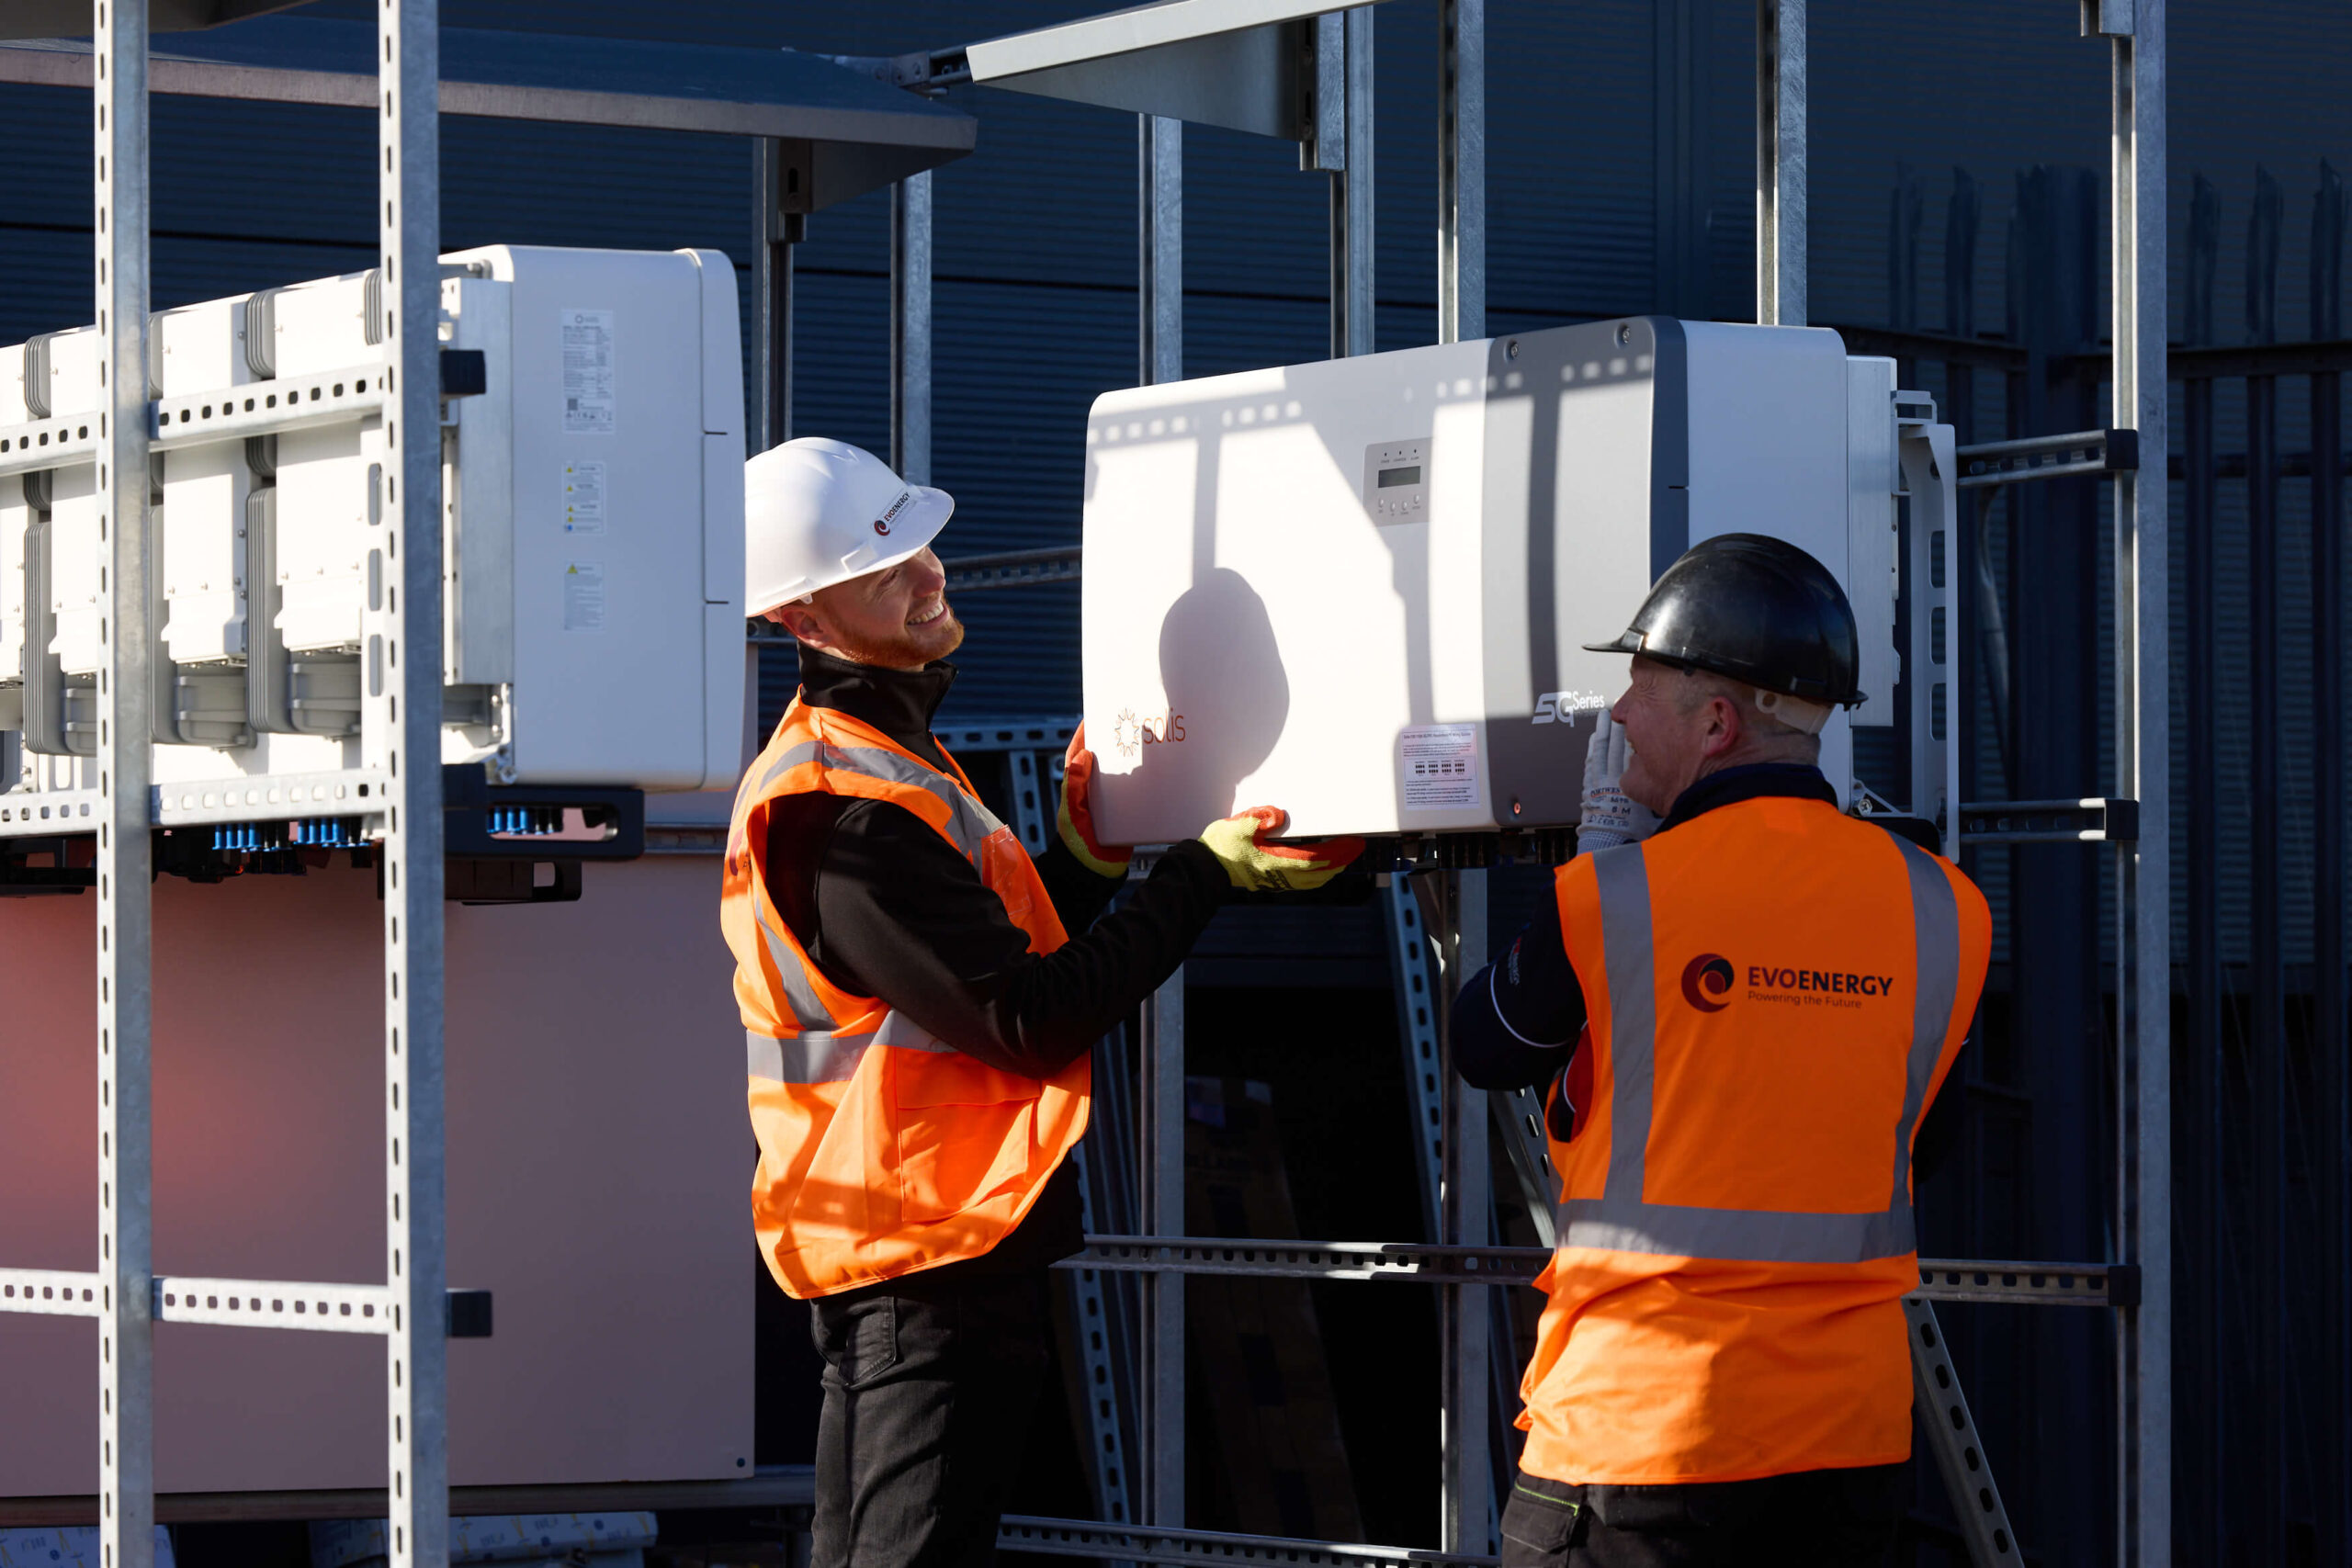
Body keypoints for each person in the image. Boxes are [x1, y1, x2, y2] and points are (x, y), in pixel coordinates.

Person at [719, 436, 1360, 1568]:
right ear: (799, 620)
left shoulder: (882, 764)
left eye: (922, 547)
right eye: (883, 570)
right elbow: (1026, 1018)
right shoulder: (848, 812)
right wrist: (1201, 874)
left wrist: (1084, 864)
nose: (926, 577)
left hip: (914, 1247)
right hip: (921, 1258)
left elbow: (969, 973)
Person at [1453, 534, 1992, 1568]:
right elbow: (1922, 1143)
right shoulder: (1944, 907)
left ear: (1715, 723)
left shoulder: (1612, 899)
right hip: (1847, 1446)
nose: (1617, 715)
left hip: (1645, 1432)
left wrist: (1599, 855)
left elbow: (1486, 1043)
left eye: (1639, 688)